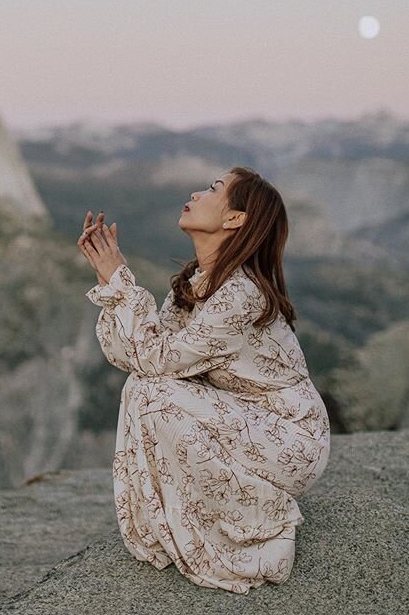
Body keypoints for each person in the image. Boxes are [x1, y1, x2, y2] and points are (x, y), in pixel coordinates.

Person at [77, 166, 331, 596]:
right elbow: (137, 357)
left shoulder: (242, 293)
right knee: (142, 388)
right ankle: (172, 526)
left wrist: (121, 279)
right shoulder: (196, 284)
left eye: (214, 189)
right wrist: (108, 278)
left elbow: (157, 360)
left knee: (154, 392)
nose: (196, 192)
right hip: (247, 423)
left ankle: (261, 520)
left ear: (234, 219)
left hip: (292, 437)